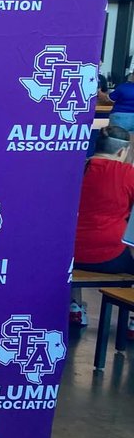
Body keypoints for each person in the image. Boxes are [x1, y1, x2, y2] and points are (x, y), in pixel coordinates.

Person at [70, 125, 134, 325]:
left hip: (71, 253)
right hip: (110, 256)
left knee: (77, 240)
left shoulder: (74, 169)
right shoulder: (127, 173)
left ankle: (75, 308)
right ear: (123, 151)